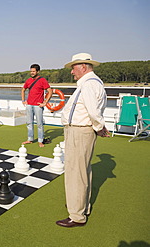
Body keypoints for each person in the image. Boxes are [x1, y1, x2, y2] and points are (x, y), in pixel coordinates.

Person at [56, 53, 110, 228]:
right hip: (81, 131)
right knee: (82, 171)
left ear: (83, 67)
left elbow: (94, 112)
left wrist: (99, 127)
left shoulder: (88, 85)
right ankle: (80, 206)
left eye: (74, 68)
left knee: (75, 173)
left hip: (80, 131)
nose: (72, 72)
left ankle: (77, 215)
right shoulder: (92, 84)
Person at [21, 64, 53, 147]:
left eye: (33, 71)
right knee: (29, 123)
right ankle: (30, 139)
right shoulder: (28, 81)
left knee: (39, 124)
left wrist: (45, 102)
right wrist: (23, 100)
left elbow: (50, 91)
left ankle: (40, 140)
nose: (32, 73)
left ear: (38, 72)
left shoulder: (42, 80)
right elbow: (23, 90)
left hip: (38, 106)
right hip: (29, 105)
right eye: (31, 71)